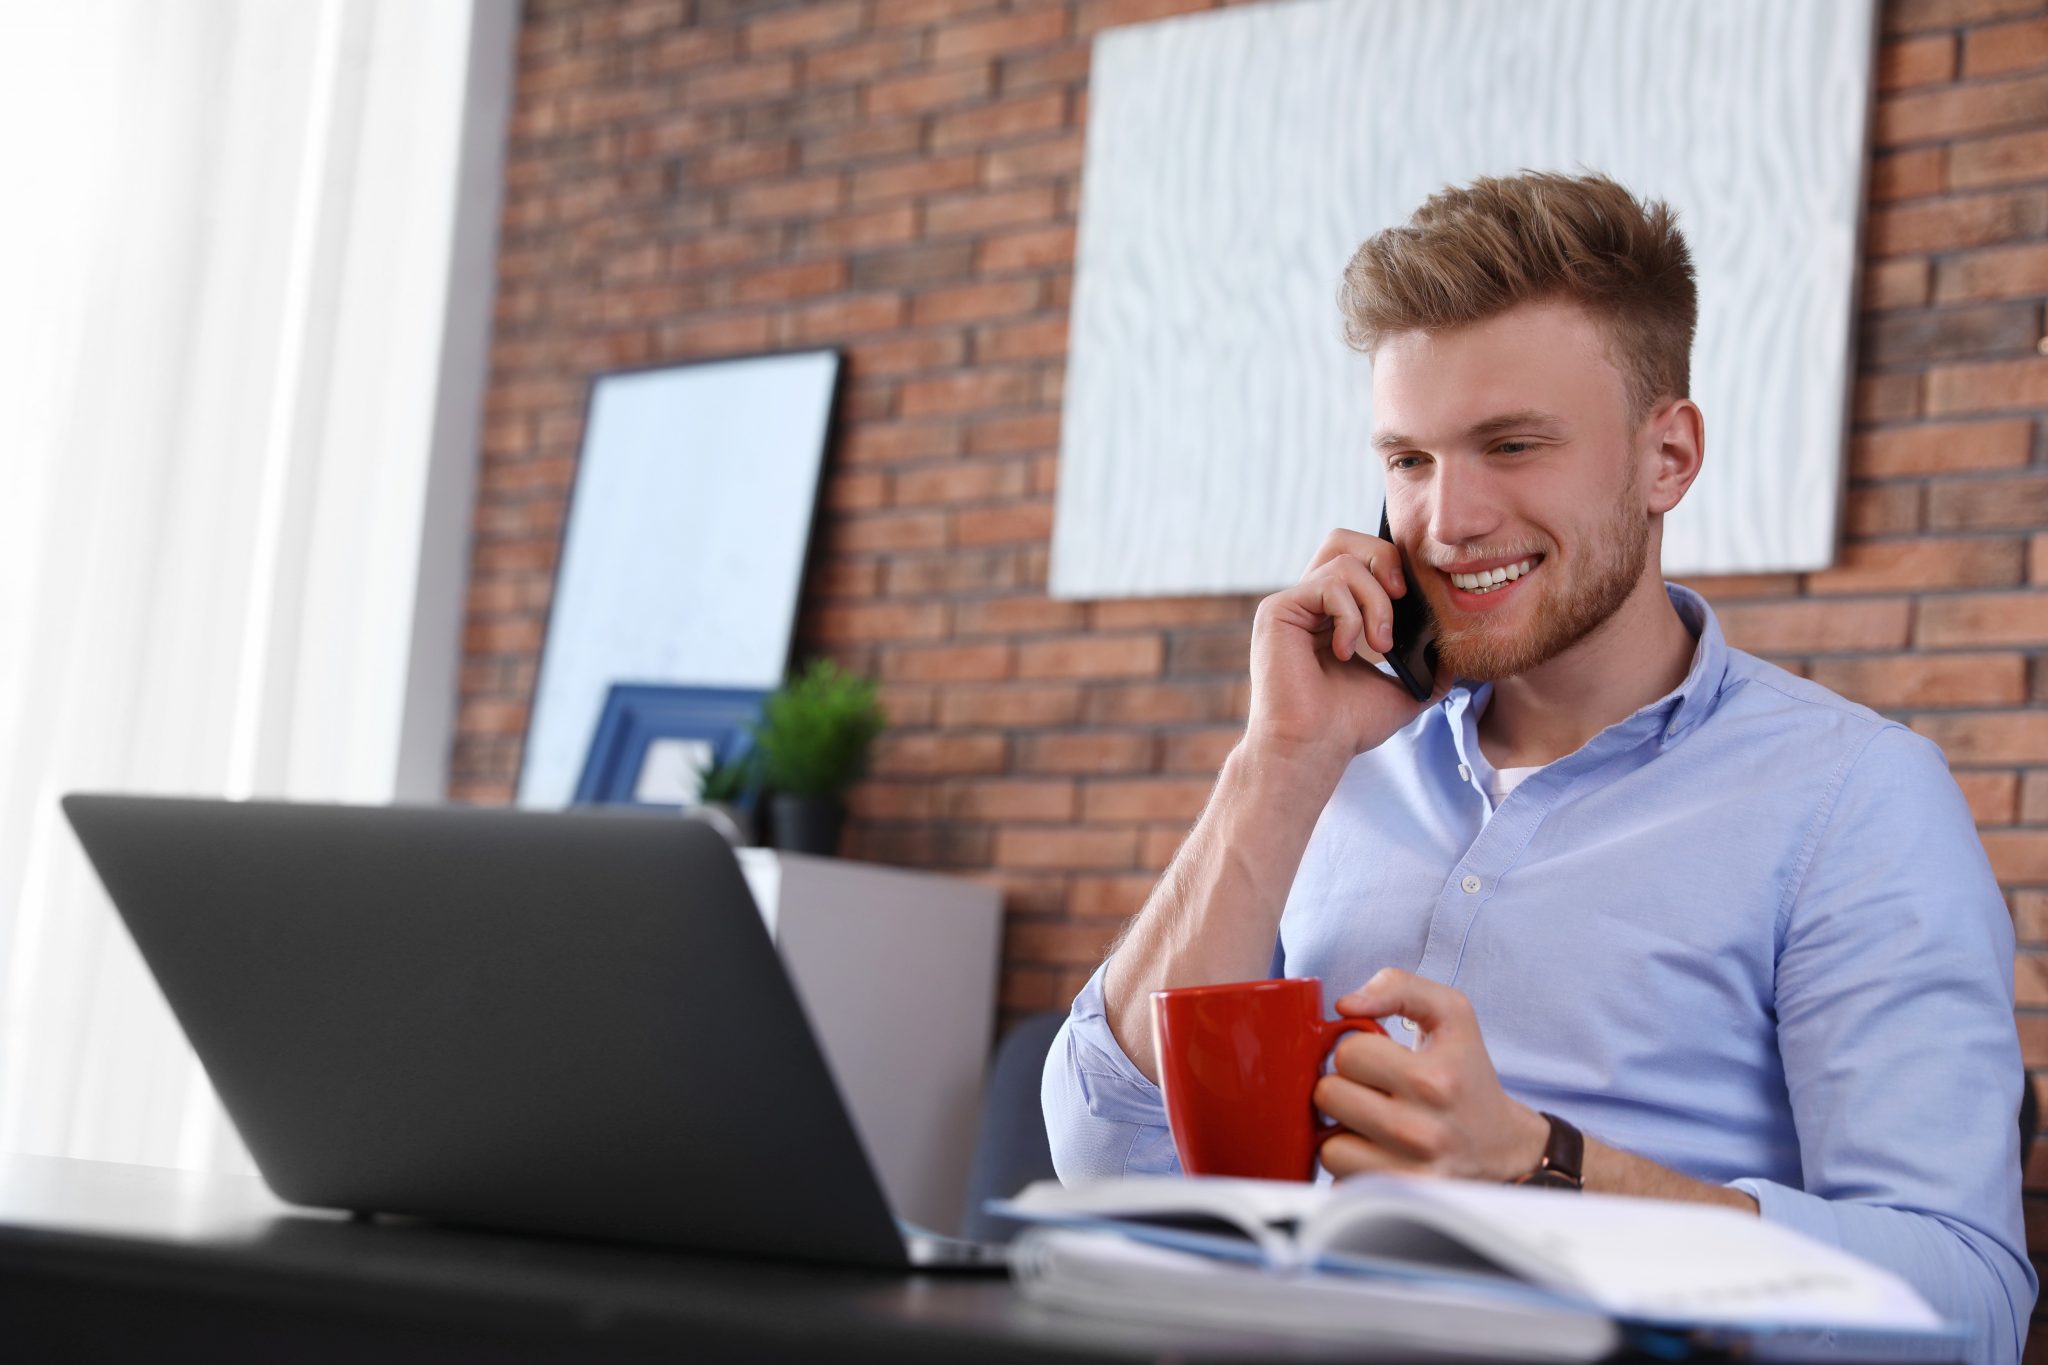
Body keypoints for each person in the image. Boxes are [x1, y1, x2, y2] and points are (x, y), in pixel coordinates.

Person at [1041, 170, 2035, 1363]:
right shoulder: (1334, 764)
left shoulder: (1852, 799)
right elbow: (1105, 1153)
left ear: (1666, 457)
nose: (1447, 520)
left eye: (1510, 444)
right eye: (1407, 459)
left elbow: (1966, 1306)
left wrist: (1539, 1168)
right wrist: (1279, 759)